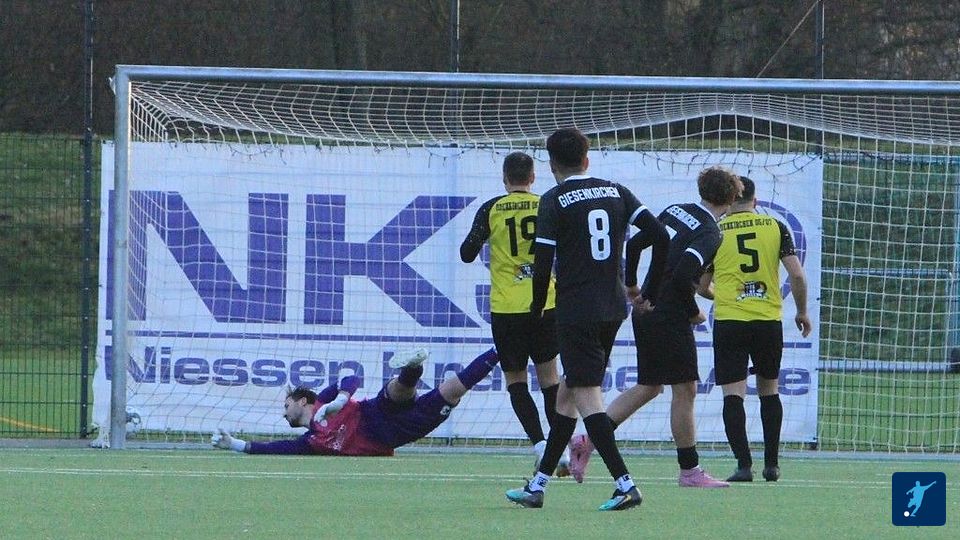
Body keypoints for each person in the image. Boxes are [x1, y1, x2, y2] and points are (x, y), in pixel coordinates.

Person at [505, 127, 669, 511]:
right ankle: (538, 485)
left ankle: (625, 484)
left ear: (551, 165)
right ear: (587, 158)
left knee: (586, 395)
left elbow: (543, 261)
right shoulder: (616, 191)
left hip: (576, 310)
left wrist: (537, 306)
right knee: (567, 393)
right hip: (612, 307)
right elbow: (659, 235)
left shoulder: (554, 199)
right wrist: (647, 290)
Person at [567, 165, 741, 489]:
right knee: (685, 389)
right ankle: (689, 470)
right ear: (731, 200)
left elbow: (634, 245)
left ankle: (588, 440)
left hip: (646, 309)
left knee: (650, 386)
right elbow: (683, 273)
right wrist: (693, 312)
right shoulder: (710, 232)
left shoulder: (676, 210)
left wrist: (634, 287)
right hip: (669, 314)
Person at [460, 151, 569, 476]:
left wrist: (491, 240)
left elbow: (467, 253)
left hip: (507, 308)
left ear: (505, 179)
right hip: (544, 302)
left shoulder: (491, 208)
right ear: (532, 178)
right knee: (550, 378)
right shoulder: (547, 204)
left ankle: (539, 445)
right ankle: (560, 451)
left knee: (516, 379)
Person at [696, 176, 812, 482]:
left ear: (729, 200)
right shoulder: (775, 226)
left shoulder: (716, 231)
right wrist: (802, 311)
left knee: (732, 394)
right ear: (755, 201)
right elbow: (797, 276)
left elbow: (701, 286)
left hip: (730, 321)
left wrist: (723, 295)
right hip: (767, 321)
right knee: (769, 389)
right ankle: (772, 465)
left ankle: (744, 466)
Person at [211, 347, 498, 456]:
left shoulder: (324, 401)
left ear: (302, 401)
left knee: (399, 390)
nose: (284, 414)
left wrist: (340, 400)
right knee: (453, 391)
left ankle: (412, 369)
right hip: (393, 434)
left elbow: (351, 379)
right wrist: (235, 444)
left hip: (373, 411)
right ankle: (500, 349)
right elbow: (274, 448)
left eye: (286, 406)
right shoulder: (311, 442)